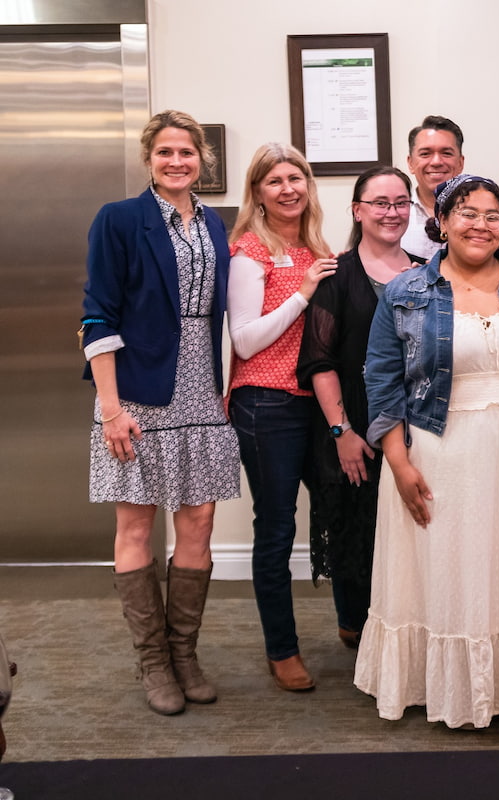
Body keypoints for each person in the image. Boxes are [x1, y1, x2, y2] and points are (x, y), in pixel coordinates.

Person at [355, 174, 499, 748]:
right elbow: (381, 382)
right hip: (439, 449)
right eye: (467, 212)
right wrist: (399, 463)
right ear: (441, 219)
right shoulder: (406, 291)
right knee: (452, 567)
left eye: (492, 215)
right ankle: (453, 689)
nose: (480, 224)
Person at [80, 110, 240, 715]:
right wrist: (111, 407)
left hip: (203, 390)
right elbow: (97, 314)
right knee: (137, 526)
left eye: (188, 152)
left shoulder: (215, 224)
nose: (177, 162)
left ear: (203, 160)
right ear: (149, 158)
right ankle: (153, 662)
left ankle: (184, 653)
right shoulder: (119, 220)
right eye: (166, 152)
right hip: (137, 395)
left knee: (198, 522)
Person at [296, 166, 423, 650]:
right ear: (358, 210)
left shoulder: (423, 273)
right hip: (351, 424)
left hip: (414, 427)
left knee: (408, 529)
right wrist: (341, 431)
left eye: (400, 203)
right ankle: (360, 632)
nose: (392, 212)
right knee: (356, 529)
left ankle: (404, 631)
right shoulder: (337, 273)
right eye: (380, 203)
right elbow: (320, 361)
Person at [227, 143, 338, 692]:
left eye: (296, 178)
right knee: (276, 527)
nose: (288, 188)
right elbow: (244, 341)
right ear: (258, 193)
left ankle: (353, 619)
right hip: (265, 404)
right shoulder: (248, 252)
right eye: (275, 181)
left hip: (315, 401)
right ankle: (283, 650)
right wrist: (302, 293)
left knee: (340, 508)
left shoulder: (317, 245)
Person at [401, 115, 465, 261]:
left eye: (446, 153)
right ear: (410, 163)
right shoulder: (393, 214)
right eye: (425, 154)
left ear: (461, 163)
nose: (436, 162)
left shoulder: (480, 215)